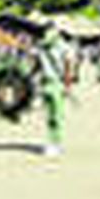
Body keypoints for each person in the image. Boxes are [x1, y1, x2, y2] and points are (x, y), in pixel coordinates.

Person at [36, 28, 74, 156]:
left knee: (51, 115)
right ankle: (54, 143)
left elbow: (36, 66)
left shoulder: (41, 48)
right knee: (55, 115)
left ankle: (52, 143)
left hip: (46, 83)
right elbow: (68, 66)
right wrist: (68, 85)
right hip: (56, 83)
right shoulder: (63, 47)